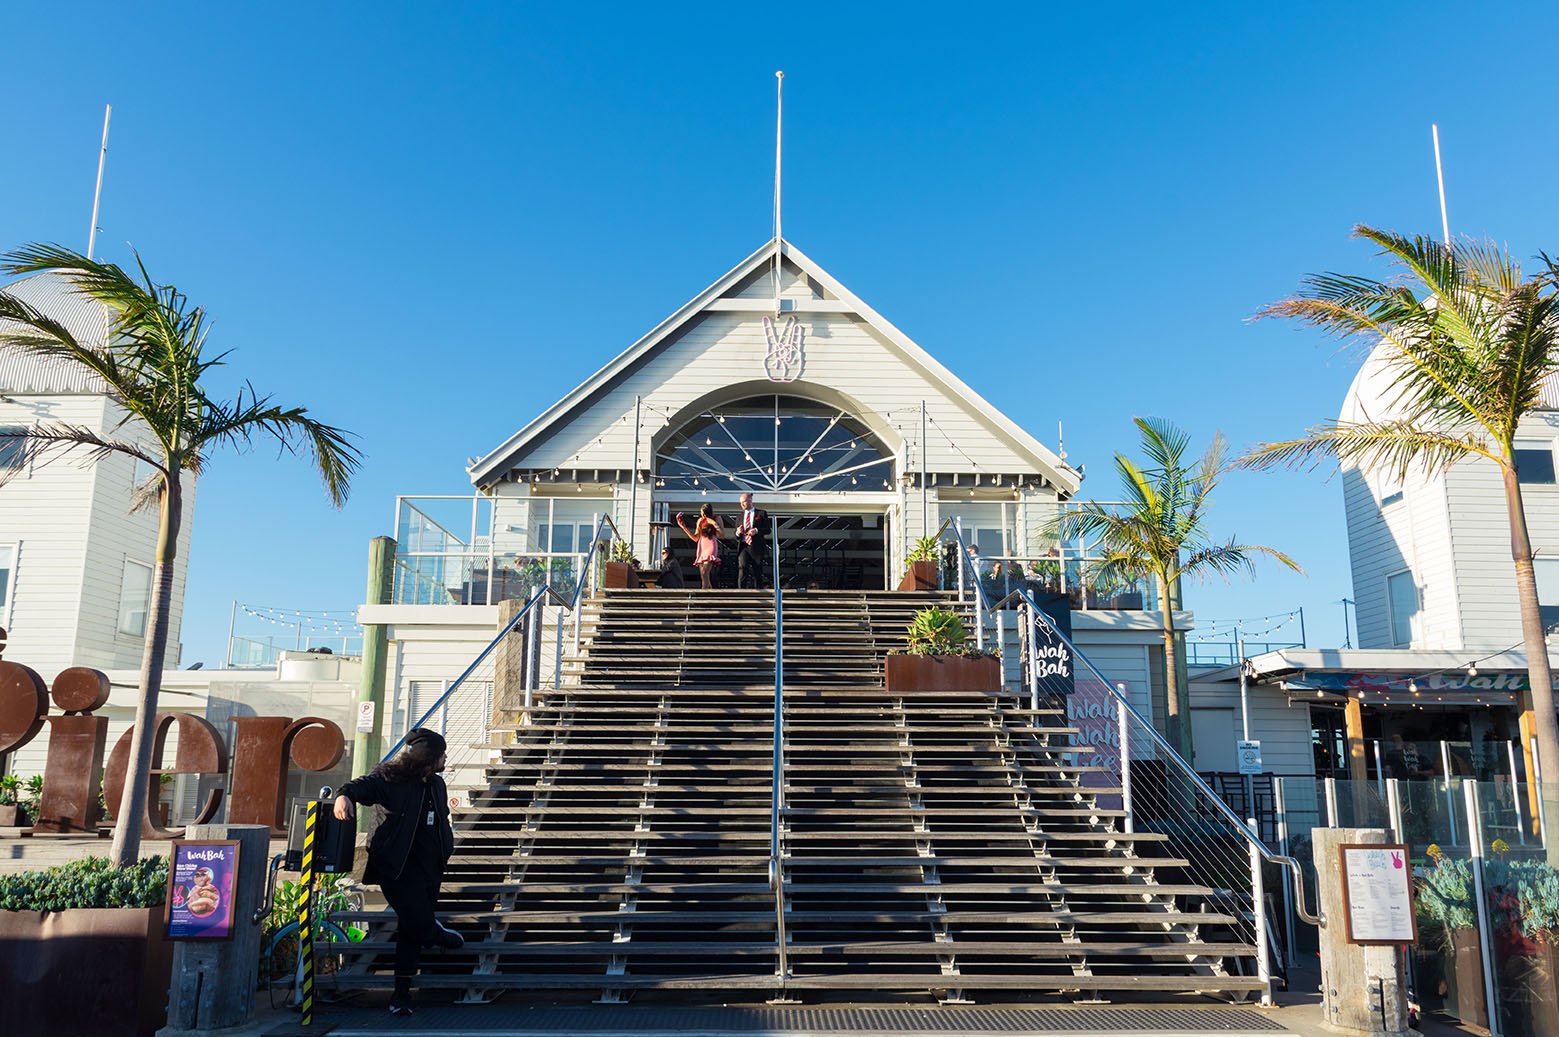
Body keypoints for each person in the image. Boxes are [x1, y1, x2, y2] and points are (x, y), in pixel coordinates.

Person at [334, 728, 462, 1017]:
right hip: (397, 868)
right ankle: (434, 932)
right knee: (418, 922)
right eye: (441, 754)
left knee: (409, 932)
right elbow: (359, 786)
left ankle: (401, 995)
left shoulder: (437, 784)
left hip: (431, 868)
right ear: (428, 757)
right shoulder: (391, 780)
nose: (445, 759)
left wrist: (445, 849)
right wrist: (344, 797)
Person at [675, 504, 722, 589]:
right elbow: (695, 538)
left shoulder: (717, 518)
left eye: (704, 514)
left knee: (705, 572)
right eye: (701, 514)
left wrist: (712, 522)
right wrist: (683, 527)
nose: (703, 516)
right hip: (702, 545)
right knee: (704, 576)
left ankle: (703, 595)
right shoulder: (700, 520)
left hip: (711, 543)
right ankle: (710, 595)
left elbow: (722, 535)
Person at [733, 492, 769, 589]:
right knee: (742, 569)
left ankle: (759, 593)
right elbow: (736, 535)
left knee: (757, 571)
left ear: (750, 500)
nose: (742, 504)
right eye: (741, 503)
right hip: (744, 546)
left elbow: (768, 530)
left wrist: (756, 530)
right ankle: (741, 593)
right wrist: (737, 532)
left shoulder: (761, 513)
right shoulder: (739, 516)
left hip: (756, 546)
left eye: (744, 502)